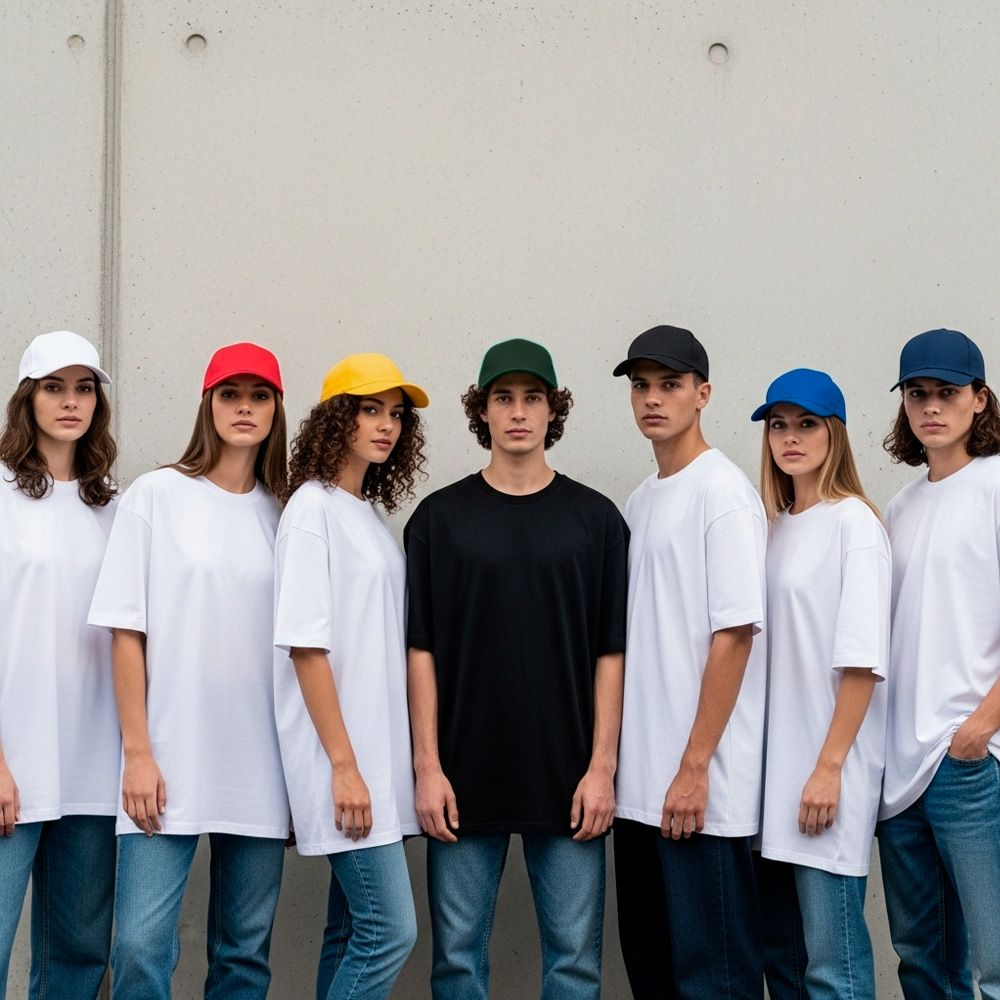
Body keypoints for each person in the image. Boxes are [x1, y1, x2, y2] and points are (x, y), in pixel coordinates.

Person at [405, 338, 627, 999]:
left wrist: (603, 767)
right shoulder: (439, 520)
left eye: (533, 398)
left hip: (569, 780)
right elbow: (421, 651)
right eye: (504, 398)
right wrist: (427, 767)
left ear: (553, 409)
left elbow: (610, 653)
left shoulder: (596, 520)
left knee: (573, 966)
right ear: (483, 410)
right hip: (461, 779)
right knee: (457, 964)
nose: (519, 412)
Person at [88, 342, 290, 1000]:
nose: (244, 408)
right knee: (139, 945)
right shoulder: (156, 495)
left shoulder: (287, 513)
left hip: (262, 761)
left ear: (276, 410)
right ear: (208, 405)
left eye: (259, 396)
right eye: (230, 394)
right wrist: (138, 753)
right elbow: (126, 631)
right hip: (167, 757)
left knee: (244, 953)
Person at [612, 324, 767, 999]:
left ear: (702, 394)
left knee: (717, 981)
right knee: (653, 975)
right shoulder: (641, 500)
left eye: (670, 384)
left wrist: (695, 768)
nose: (653, 398)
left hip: (699, 789)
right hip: (640, 789)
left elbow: (735, 636)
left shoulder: (722, 492)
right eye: (641, 385)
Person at [272, 353, 427, 1000]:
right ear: (336, 419)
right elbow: (305, 647)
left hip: (374, 761)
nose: (386, 424)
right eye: (369, 409)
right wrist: (343, 766)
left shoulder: (365, 514)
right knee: (390, 931)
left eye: (395, 413)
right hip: (341, 761)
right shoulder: (312, 509)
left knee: (349, 933)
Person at [751, 369, 889, 1000]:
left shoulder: (853, 524)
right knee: (784, 964)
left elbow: (862, 662)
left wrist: (829, 768)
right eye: (778, 425)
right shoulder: (773, 527)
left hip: (826, 774)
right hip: (774, 779)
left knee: (835, 970)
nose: (790, 437)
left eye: (806, 424)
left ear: (834, 433)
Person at [877, 328, 1000, 1000]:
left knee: (995, 962)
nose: (931, 406)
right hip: (900, 770)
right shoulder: (901, 507)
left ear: (979, 399)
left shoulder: (996, 485)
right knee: (922, 960)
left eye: (947, 392)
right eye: (917, 393)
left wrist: (981, 727)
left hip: (968, 763)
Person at [0, 331, 118, 1000]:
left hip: (92, 771)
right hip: (14, 765)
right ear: (28, 398)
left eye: (84, 388)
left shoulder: (113, 508)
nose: (71, 401)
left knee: (77, 958)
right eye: (54, 387)